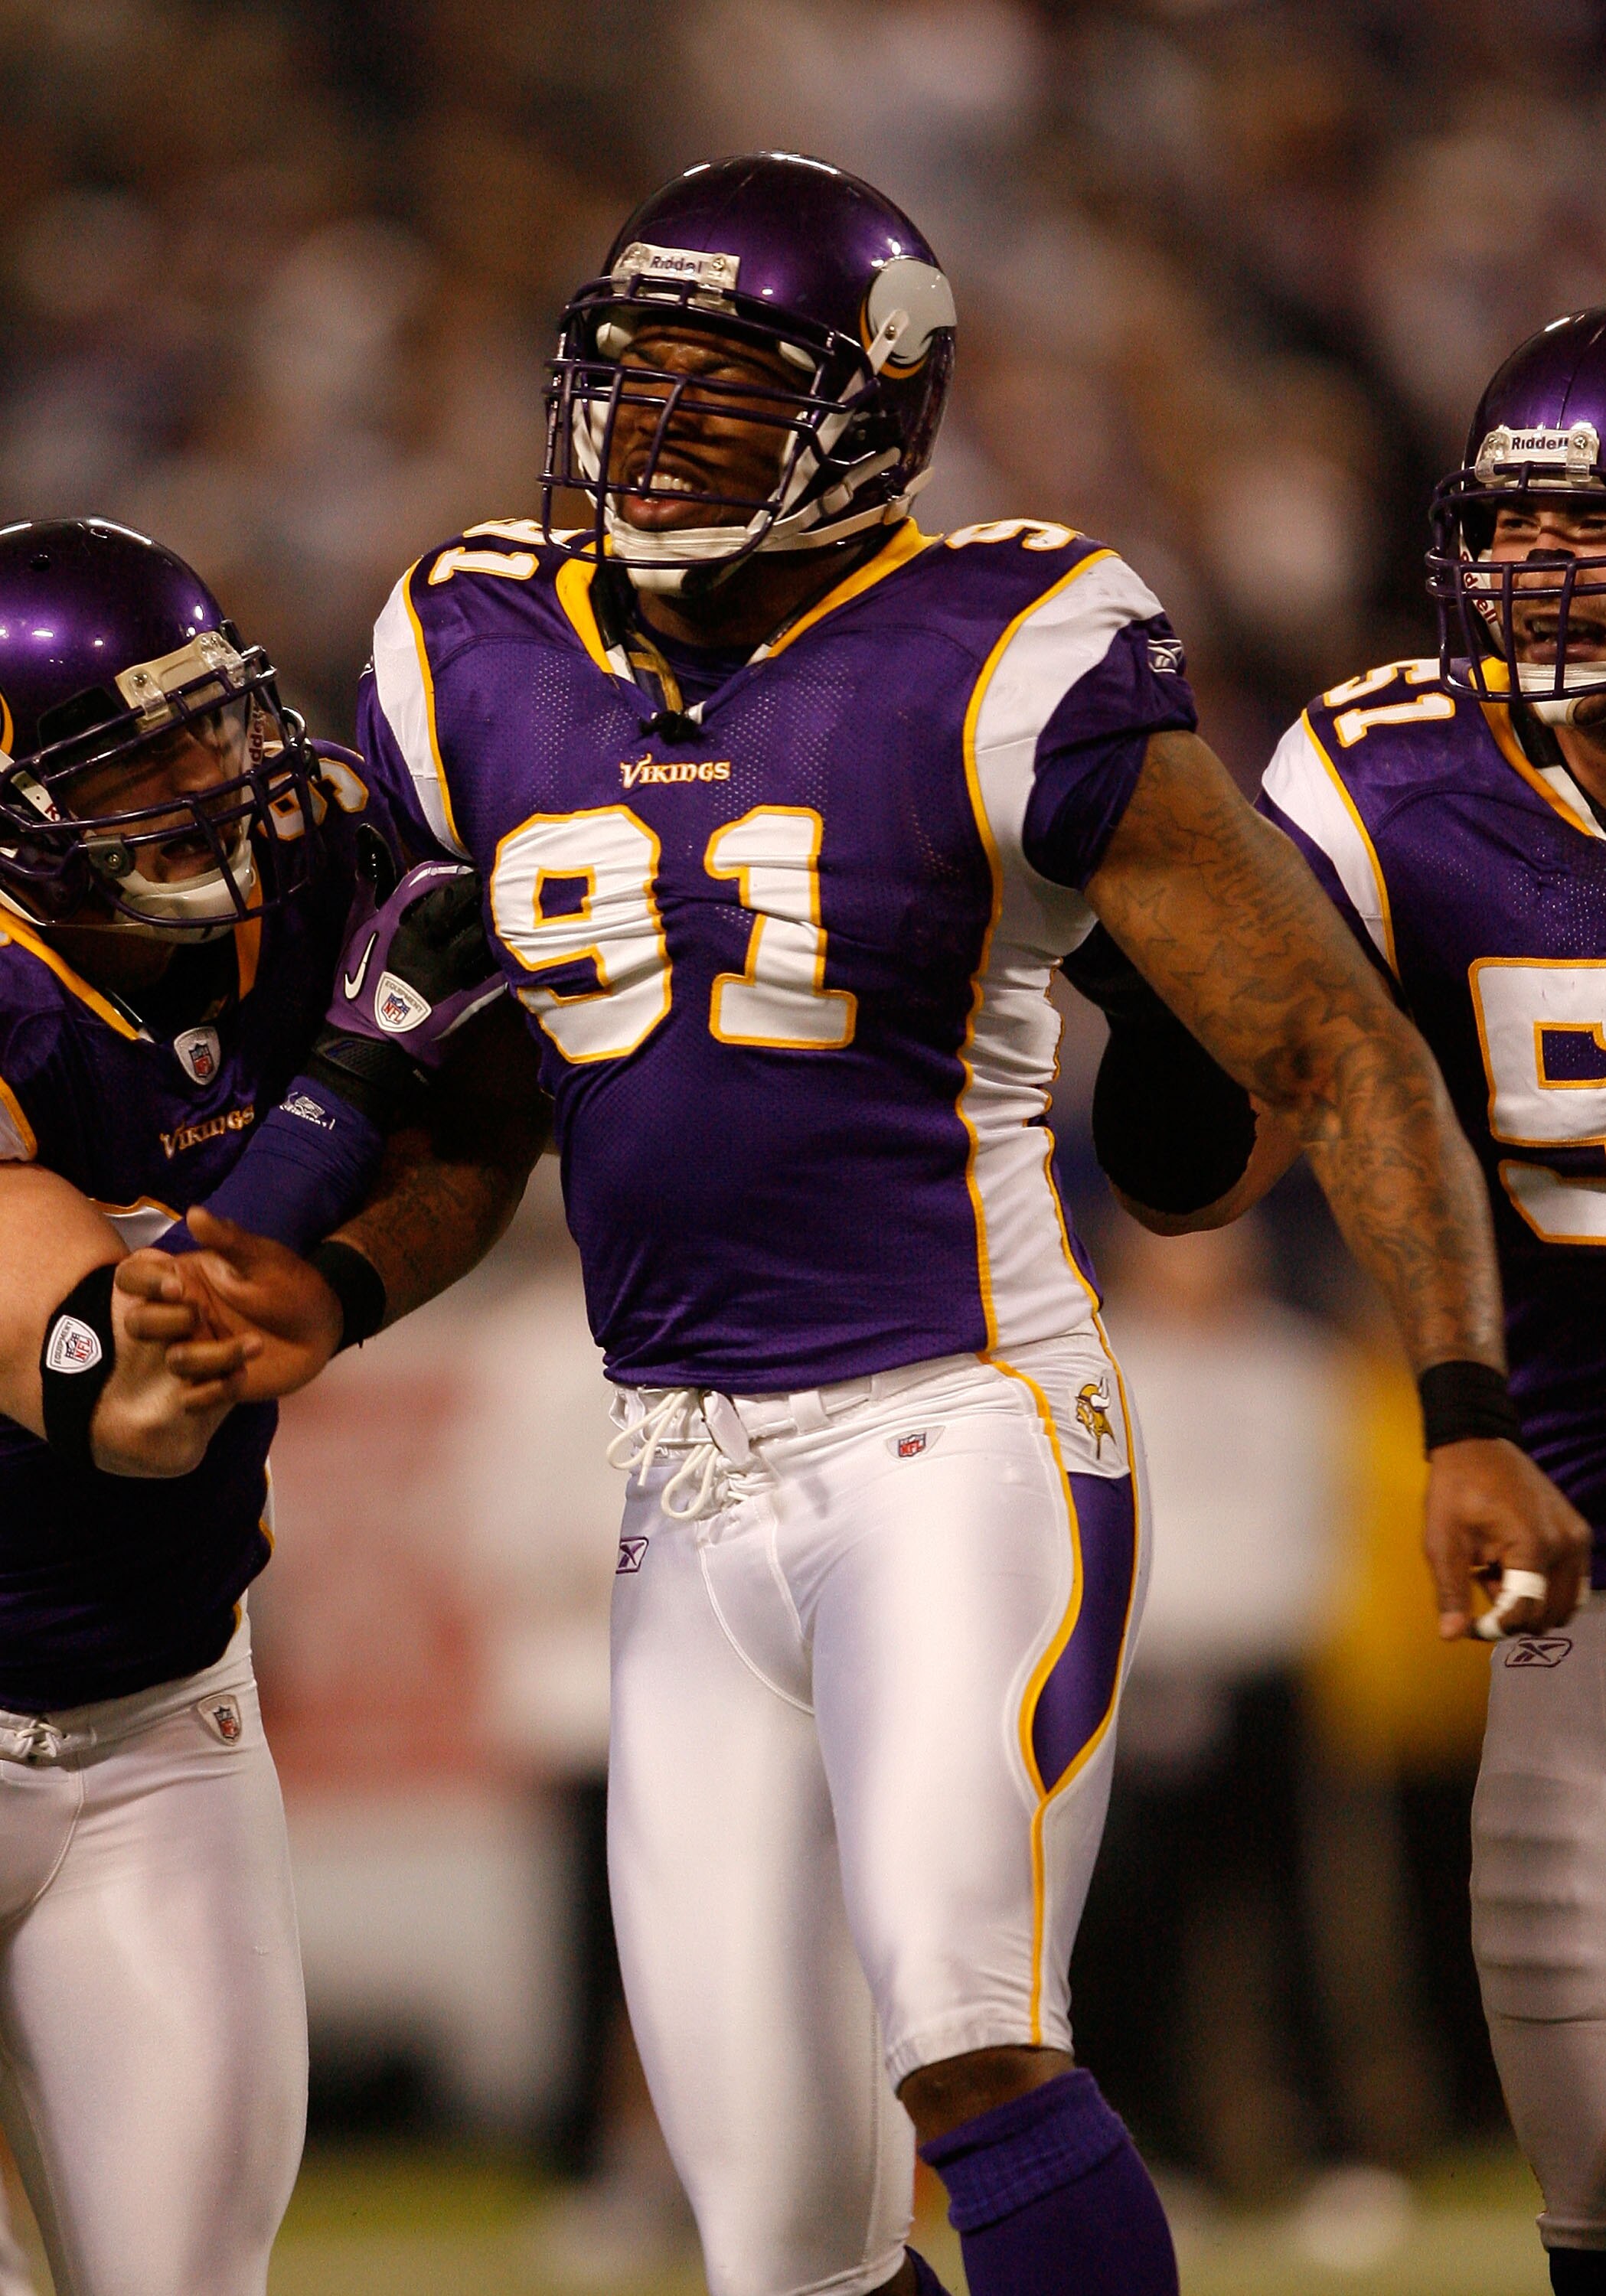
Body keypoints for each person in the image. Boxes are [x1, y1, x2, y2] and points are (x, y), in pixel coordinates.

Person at [134, 158, 1587, 2296]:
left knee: (969, 2036)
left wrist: (1462, 1398)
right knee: (784, 2238)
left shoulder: (1006, 639)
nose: (654, 430)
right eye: (633, 377)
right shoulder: (464, 642)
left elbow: (1330, 1046)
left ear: (867, 414)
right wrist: (337, 1279)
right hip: (675, 1477)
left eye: (726, 388)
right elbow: (472, 1095)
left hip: (962, 1426)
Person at [1089, 308, 1606, 2292]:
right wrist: (1166, 998)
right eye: (1518, 531)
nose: (1537, 575)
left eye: (1589, 532)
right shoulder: (1389, 770)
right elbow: (1199, 1170)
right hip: (1570, 1531)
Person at [0, 517, 529, 2296]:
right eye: (128, 758)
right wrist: (340, 1092)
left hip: (157, 1718)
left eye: (212, 721)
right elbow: (138, 1405)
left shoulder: (319, 866)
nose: (206, 782)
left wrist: (346, 1270)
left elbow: (479, 1130)